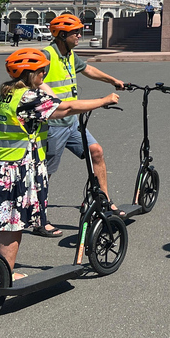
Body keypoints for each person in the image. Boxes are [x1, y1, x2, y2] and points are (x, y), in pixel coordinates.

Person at [0, 49, 118, 278]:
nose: (44, 74)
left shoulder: (9, 92)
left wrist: (42, 86)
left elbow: (51, 99)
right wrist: (103, 100)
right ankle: (6, 275)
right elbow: (66, 108)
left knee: (1, 224)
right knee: (13, 227)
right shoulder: (28, 98)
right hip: (16, 170)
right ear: (30, 74)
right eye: (41, 71)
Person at [40, 14, 126, 235]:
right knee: (46, 172)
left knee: (96, 151)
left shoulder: (70, 55)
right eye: (75, 32)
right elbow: (33, 81)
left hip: (72, 122)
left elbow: (87, 69)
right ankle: (39, 218)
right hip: (53, 125)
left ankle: (104, 202)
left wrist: (112, 80)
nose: (80, 35)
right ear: (61, 35)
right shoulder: (46, 56)